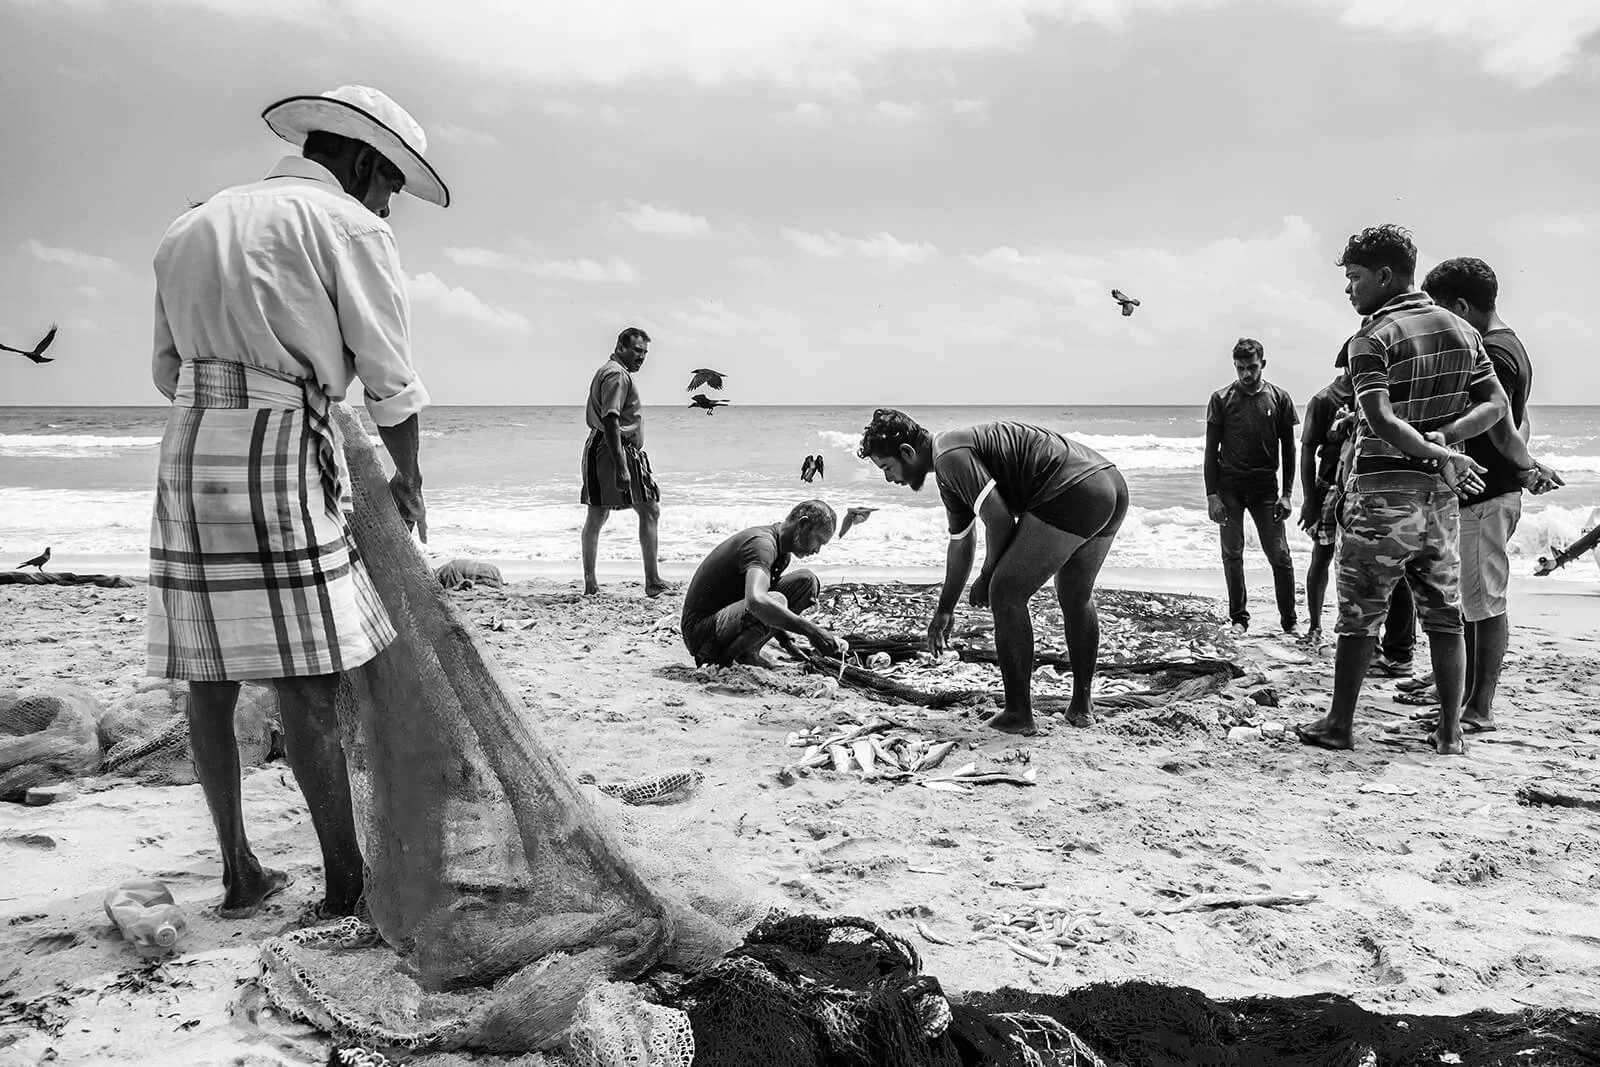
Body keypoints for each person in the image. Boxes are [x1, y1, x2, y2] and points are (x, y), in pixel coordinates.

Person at [147, 85, 447, 919]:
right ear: (360, 162)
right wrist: (408, 479)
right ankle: (345, 880)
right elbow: (390, 378)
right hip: (282, 443)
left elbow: (167, 369)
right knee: (305, 674)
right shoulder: (351, 226)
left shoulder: (191, 224)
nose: (391, 202)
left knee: (209, 674)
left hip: (191, 445)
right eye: (391, 183)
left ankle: (239, 870)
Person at [1296, 224, 1538, 756]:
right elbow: (1497, 407)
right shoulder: (1462, 330)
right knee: (1445, 617)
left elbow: (1380, 420)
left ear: (1385, 276)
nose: (1348, 290)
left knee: (1359, 618)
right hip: (1441, 502)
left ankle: (1340, 723)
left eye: (1355, 278)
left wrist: (1438, 449)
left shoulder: (1371, 338)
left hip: (1381, 496)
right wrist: (1450, 441)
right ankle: (1451, 732)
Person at [859, 410, 1127, 735]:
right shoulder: (950, 465)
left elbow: (999, 520)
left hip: (1075, 489)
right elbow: (961, 542)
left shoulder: (950, 458)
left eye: (887, 468)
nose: (889, 479)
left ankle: (1018, 714)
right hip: (1109, 483)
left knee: (1006, 592)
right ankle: (1081, 708)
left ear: (907, 452)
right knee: (1074, 593)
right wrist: (945, 609)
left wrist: (986, 577)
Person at [1419, 257, 1562, 732]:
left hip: (1486, 495)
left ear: (1461, 305)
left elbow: (1502, 425)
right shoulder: (1512, 346)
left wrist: (1522, 466)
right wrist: (1525, 466)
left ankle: (1479, 707)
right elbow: (1523, 419)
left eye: (1444, 311)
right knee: (1474, 601)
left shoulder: (1492, 352)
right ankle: (1464, 699)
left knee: (1485, 604)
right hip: (1493, 489)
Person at [1299, 345, 1417, 668]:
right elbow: (1307, 452)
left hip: (1372, 492)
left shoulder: (1380, 397)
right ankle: (1314, 626)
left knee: (1385, 569)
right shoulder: (1325, 400)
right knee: (1324, 557)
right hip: (1331, 489)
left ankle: (1391, 646)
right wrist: (1309, 499)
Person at [1204, 338, 1299, 635]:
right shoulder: (1221, 399)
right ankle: (1239, 619)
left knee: (1280, 556)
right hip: (1229, 487)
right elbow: (1210, 451)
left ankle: (1290, 621)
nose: (1247, 374)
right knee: (1232, 554)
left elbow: (1290, 449)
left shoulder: (1279, 398)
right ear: (1235, 366)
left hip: (1265, 488)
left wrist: (1287, 494)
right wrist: (1212, 496)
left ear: (1263, 364)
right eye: (1241, 368)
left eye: (1252, 367)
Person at [681, 500, 847, 667]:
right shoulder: (762, 546)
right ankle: (727, 660)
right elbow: (756, 600)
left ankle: (748, 650)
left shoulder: (782, 554)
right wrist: (811, 631)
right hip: (702, 633)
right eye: (818, 540)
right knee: (775, 599)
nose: (817, 550)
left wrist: (786, 641)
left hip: (724, 620)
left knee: (806, 582)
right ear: (802, 524)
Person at [580, 328, 667, 598]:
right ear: (621, 347)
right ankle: (649, 581)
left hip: (608, 447)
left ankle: (593, 584)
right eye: (637, 351)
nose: (641, 357)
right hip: (613, 448)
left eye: (644, 353)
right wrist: (621, 466)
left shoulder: (613, 371)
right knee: (644, 510)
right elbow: (611, 419)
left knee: (606, 513)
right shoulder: (617, 374)